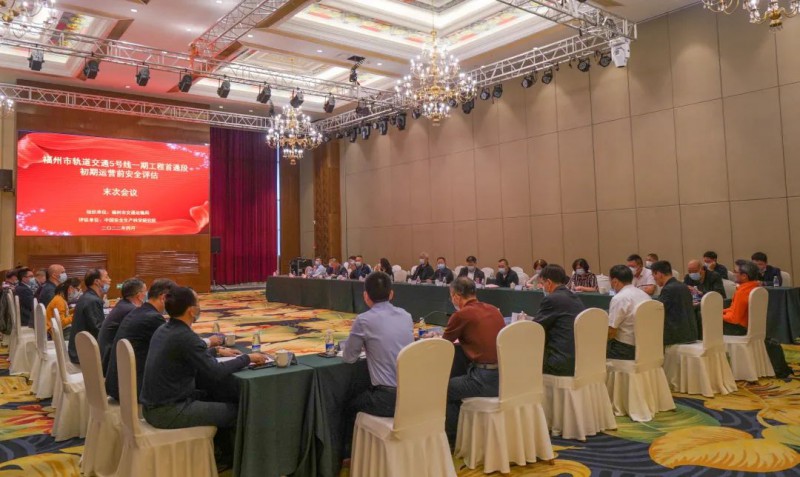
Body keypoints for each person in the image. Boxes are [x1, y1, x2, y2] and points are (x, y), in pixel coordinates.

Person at [141, 287, 265, 471]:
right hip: (168, 411)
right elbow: (215, 371)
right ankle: (239, 463)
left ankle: (221, 455)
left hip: (155, 405)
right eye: (198, 303)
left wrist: (215, 351)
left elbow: (189, 353)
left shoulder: (164, 329)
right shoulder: (185, 336)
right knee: (240, 411)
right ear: (192, 310)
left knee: (216, 395)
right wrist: (247, 358)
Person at [343, 271, 414, 428]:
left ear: (366, 296)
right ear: (391, 294)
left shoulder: (364, 320)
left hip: (387, 398)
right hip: (412, 394)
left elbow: (349, 357)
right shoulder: (406, 316)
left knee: (347, 407)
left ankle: (355, 445)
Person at [443, 277, 504, 443]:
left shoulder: (461, 314)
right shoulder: (494, 310)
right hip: (504, 378)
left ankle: (453, 439)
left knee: (444, 388)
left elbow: (442, 346)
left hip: (483, 379)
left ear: (456, 296)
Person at [105, 278, 177, 397]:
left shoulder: (138, 312)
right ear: (163, 298)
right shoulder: (153, 318)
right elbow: (172, 351)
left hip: (118, 384)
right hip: (131, 389)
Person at [534, 265, 585, 376]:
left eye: (542, 283)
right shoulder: (574, 297)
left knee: (523, 357)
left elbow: (535, 329)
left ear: (548, 282)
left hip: (559, 362)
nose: (542, 287)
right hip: (579, 358)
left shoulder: (551, 299)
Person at [97, 278, 147, 370]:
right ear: (139, 295)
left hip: (104, 355)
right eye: (145, 291)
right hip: (110, 362)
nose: (146, 294)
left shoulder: (122, 304)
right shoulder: (132, 310)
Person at [606, 265, 651, 360]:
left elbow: (611, 331)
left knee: (593, 348)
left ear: (615, 281)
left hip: (625, 349)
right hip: (647, 346)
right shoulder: (645, 295)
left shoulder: (619, 298)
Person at [67, 268, 111, 364]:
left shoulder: (87, 296)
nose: (109, 280)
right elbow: (98, 330)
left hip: (79, 348)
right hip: (82, 354)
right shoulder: (92, 300)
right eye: (106, 277)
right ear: (97, 282)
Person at [652, 261, 697, 346]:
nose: (653, 278)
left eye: (653, 275)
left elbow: (659, 312)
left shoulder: (668, 289)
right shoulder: (683, 286)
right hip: (691, 333)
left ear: (659, 274)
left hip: (677, 336)